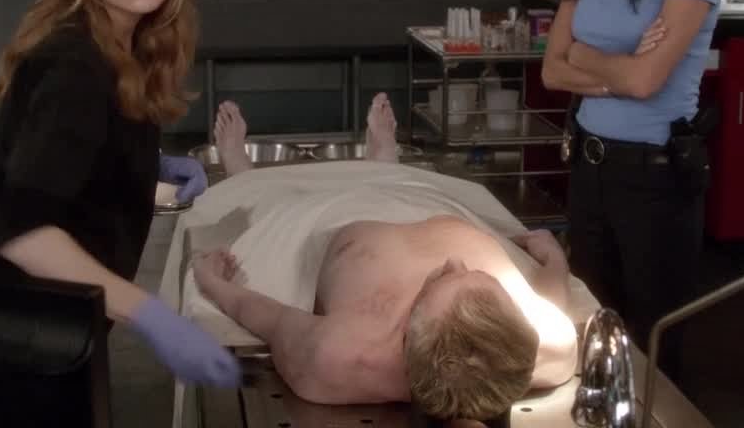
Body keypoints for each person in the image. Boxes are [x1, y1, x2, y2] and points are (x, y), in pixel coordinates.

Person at [0, 0, 238, 387]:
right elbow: (23, 232)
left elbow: (71, 159)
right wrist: (153, 316)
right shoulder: (73, 66)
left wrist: (146, 166)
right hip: (18, 339)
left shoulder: (120, 45)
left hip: (62, 331)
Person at [192, 95, 578, 421]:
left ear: (406, 335)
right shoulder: (551, 345)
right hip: (430, 202)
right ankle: (384, 164)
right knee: (419, 184)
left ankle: (242, 174)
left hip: (331, 220)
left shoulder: (340, 355)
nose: (454, 262)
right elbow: (550, 299)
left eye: (441, 280)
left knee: (274, 207)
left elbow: (273, 319)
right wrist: (555, 262)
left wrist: (215, 285)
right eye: (480, 275)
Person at [540, 0, 720, 363]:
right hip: (589, 165)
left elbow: (646, 82)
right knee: (591, 327)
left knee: (653, 341)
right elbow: (551, 68)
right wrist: (611, 69)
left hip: (655, 174)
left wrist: (585, 56)